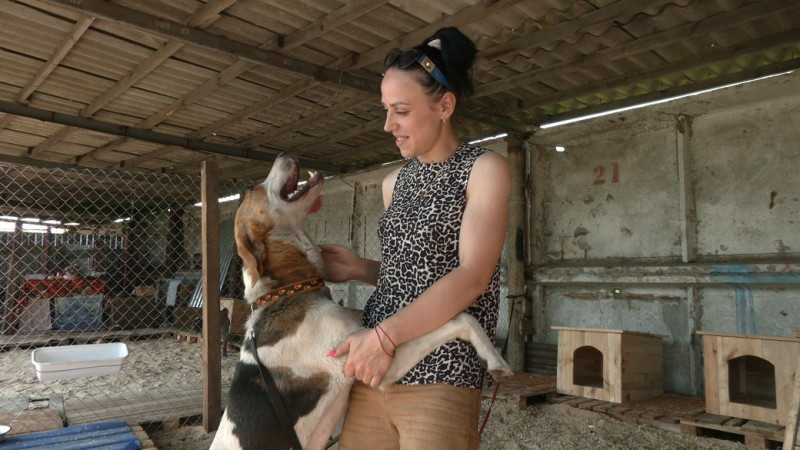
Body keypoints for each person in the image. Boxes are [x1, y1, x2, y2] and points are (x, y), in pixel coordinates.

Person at [322, 27, 511, 449]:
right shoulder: (395, 183)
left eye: (401, 111)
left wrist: (385, 336)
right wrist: (360, 268)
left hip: (440, 370)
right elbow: (410, 273)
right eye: (386, 110)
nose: (388, 125)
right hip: (375, 368)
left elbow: (472, 276)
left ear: (445, 105)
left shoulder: (484, 170)